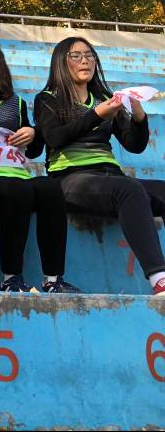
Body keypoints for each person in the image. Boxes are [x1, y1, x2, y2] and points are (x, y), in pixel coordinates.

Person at [35, 36, 165, 296]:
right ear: (61, 62)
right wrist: (96, 115)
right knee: (128, 189)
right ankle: (159, 278)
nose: (85, 61)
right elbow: (55, 138)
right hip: (71, 178)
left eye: (89, 55)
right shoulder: (48, 99)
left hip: (109, 176)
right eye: (76, 56)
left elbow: (134, 145)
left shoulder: (103, 97)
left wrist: (139, 118)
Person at [0, 34, 79, 292]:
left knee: (50, 188)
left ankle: (53, 279)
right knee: (19, 189)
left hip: (14, 171)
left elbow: (32, 151)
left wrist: (33, 133)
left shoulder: (17, 102)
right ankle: (11, 277)